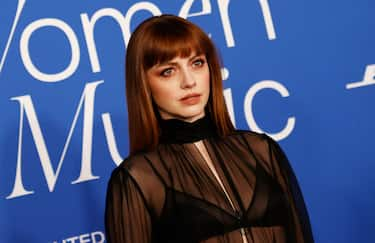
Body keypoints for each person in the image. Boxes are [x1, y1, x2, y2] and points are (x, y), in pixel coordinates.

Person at [105, 14, 314, 243]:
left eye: (197, 63)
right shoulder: (137, 178)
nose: (189, 81)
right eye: (168, 71)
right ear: (144, 83)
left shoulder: (262, 150)